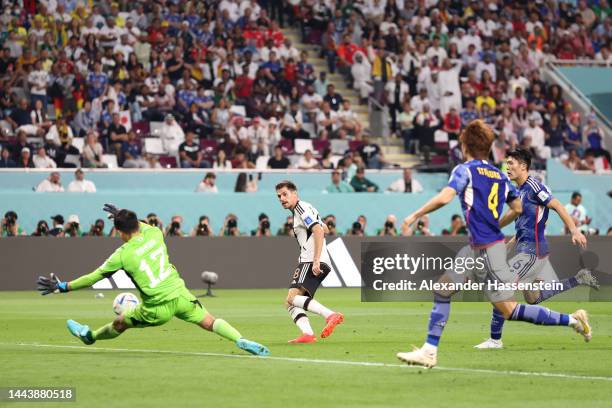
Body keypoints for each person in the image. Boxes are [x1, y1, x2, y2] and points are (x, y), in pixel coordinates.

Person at [396, 120, 591, 368]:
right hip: (490, 247)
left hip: (484, 248)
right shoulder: (499, 176)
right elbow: (518, 207)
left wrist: (414, 216)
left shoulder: (464, 170)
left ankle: (430, 350)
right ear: (488, 147)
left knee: (450, 292)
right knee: (506, 308)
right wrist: (495, 224)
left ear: (465, 146)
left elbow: (446, 196)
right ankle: (572, 321)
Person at [36, 204, 269, 356]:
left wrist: (64, 286)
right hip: (180, 294)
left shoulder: (122, 255)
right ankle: (240, 339)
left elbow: (93, 277)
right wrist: (122, 215)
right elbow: (140, 225)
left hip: (157, 308)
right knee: (209, 320)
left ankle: (90, 337)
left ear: (119, 231)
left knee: (120, 322)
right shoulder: (155, 233)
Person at [475, 149, 599, 349]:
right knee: (533, 298)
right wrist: (509, 244)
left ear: (523, 166)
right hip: (526, 249)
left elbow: (557, 205)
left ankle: (495, 340)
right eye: (507, 163)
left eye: (511, 163)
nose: (508, 166)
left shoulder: (533, 186)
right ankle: (576, 311)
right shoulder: (518, 191)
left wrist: (574, 230)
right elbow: (525, 223)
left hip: (533, 252)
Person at [275, 181, 344, 343]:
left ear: (295, 194)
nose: (282, 199)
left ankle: (330, 315)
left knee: (292, 299)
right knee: (290, 302)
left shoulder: (300, 208)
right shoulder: (303, 209)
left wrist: (315, 260)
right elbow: (325, 228)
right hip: (311, 259)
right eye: (279, 196)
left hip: (311, 260)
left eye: (285, 194)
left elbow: (319, 230)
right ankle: (307, 334)